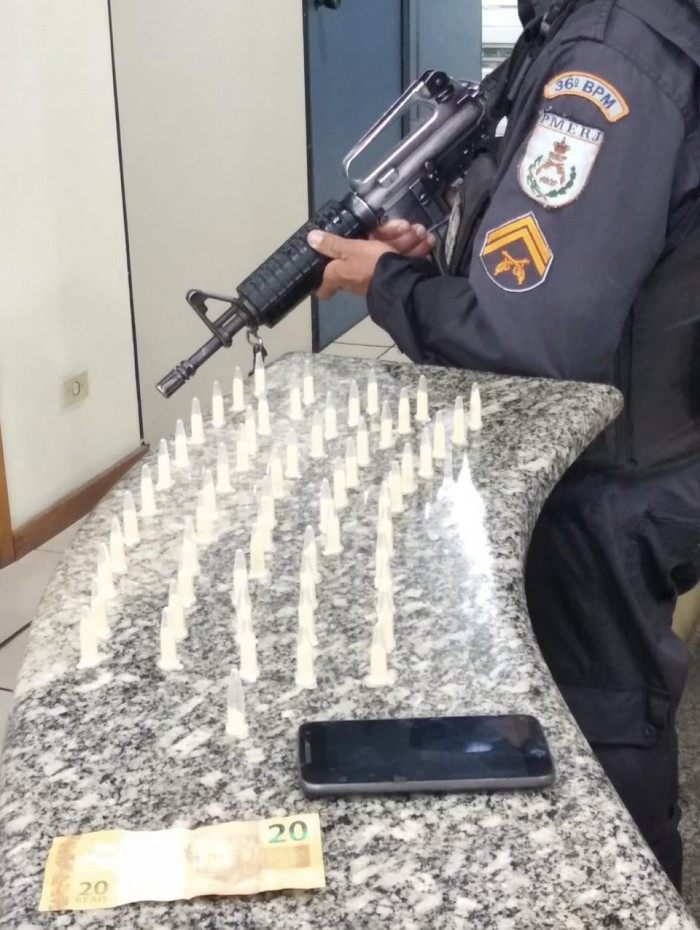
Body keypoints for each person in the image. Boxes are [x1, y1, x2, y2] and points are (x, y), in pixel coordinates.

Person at [306, 0, 700, 891]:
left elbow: (528, 342)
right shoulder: (584, 27)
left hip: (601, 483)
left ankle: (623, 898)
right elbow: (561, 256)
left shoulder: (611, 50)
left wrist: (388, 282)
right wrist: (439, 264)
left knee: (600, 734)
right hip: (632, 443)